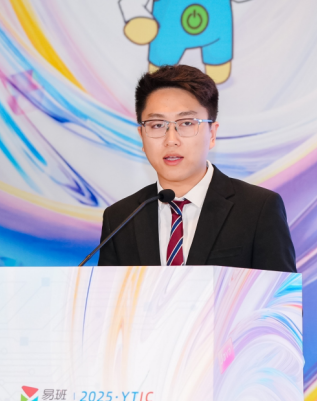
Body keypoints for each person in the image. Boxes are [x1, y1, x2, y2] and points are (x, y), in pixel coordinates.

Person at [98, 64, 296, 272]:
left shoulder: (258, 209)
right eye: (157, 125)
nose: (171, 140)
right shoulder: (120, 218)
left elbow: (278, 293)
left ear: (212, 134)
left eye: (186, 123)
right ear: (142, 136)